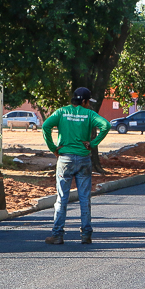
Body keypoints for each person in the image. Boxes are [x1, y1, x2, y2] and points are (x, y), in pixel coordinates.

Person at [42, 86, 111, 245]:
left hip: (64, 159)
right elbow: (106, 125)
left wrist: (53, 148)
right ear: (85, 101)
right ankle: (86, 235)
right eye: (89, 102)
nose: (89, 105)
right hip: (84, 159)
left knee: (62, 198)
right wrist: (93, 144)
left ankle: (57, 235)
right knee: (84, 198)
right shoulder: (89, 114)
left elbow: (45, 126)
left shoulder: (61, 112)